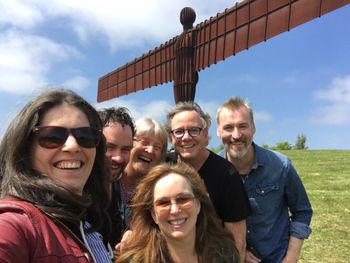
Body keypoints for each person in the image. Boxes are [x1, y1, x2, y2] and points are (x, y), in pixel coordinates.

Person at [0, 89, 113, 262]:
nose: (73, 146)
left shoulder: (88, 223)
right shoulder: (15, 223)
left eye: (86, 136)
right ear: (26, 149)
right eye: (53, 136)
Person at [216, 97, 313, 263]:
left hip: (276, 258)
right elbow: (209, 223)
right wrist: (238, 248)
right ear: (218, 131)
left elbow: (302, 212)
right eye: (228, 127)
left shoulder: (280, 165)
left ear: (253, 128)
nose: (236, 135)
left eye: (243, 126)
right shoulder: (213, 171)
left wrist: (291, 257)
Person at [165, 101, 251, 262]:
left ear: (205, 134)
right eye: (178, 131)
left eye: (194, 130)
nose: (186, 137)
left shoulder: (227, 175)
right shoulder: (163, 167)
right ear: (171, 137)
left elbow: (237, 241)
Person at [116, 162, 239, 263]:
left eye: (183, 199)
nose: (174, 210)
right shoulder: (134, 261)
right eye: (163, 203)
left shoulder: (225, 255)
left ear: (198, 205)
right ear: (154, 215)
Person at [116, 117, 168, 232]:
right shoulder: (107, 182)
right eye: (144, 142)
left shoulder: (158, 193)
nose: (150, 150)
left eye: (157, 147)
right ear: (130, 144)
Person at [98, 107, 135, 247]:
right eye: (109, 147)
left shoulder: (116, 192)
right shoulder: (76, 198)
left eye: (126, 149)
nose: (118, 158)